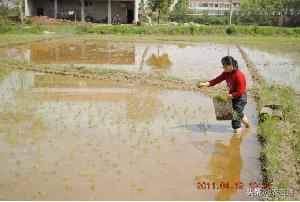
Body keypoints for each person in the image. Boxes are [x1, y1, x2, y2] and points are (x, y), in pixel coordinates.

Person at [198, 56, 250, 134]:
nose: (223, 67)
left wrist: (232, 95)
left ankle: (236, 141)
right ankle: (248, 126)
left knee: (235, 119)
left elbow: (241, 91)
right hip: (233, 96)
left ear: (230, 65)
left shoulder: (239, 75)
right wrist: (204, 84)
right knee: (238, 113)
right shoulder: (226, 73)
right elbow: (216, 80)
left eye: (224, 65)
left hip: (240, 98)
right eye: (223, 65)